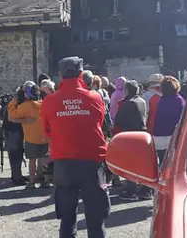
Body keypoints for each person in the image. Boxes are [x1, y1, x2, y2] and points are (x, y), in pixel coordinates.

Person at [41, 56, 109, 238]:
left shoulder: (49, 101)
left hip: (64, 161)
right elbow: (100, 123)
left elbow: (47, 130)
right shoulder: (95, 97)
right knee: (95, 215)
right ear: (81, 73)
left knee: (67, 216)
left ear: (60, 74)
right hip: (92, 161)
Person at [9, 82, 50, 189]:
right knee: (44, 159)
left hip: (31, 138)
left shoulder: (25, 106)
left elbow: (12, 114)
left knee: (32, 160)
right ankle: (45, 181)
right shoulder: (45, 104)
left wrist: (14, 101)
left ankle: (31, 182)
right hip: (45, 137)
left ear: (27, 94)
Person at [113, 80, 149, 202]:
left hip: (130, 135)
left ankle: (131, 191)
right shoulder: (142, 101)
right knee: (140, 164)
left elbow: (118, 119)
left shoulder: (129, 103)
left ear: (127, 90)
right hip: (142, 134)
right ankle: (144, 190)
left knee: (130, 165)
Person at [152, 76, 186, 163]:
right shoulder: (180, 101)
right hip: (173, 137)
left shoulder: (161, 101)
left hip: (158, 137)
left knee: (162, 164)